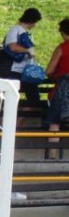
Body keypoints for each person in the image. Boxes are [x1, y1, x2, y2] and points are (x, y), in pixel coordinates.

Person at [3, 8, 44, 108]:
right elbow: (12, 47)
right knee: (17, 96)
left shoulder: (25, 33)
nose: (34, 25)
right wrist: (28, 50)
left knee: (33, 96)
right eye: (35, 22)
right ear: (31, 20)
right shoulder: (15, 30)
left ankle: (26, 116)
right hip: (14, 70)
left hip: (24, 70)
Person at [44, 18, 69, 160]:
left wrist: (57, 75)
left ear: (63, 33)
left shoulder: (62, 48)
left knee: (54, 123)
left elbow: (48, 70)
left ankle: (52, 157)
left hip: (62, 92)